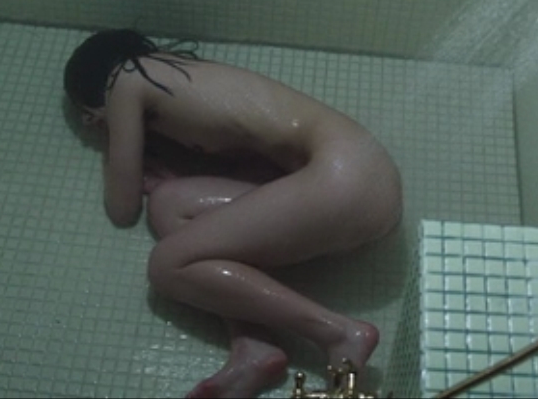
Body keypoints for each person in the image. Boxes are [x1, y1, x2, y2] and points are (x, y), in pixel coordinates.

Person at [63, 30, 404, 398]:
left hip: (348, 176)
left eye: (87, 115)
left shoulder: (127, 79)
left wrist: (112, 137)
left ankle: (337, 332)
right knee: (170, 204)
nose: (88, 123)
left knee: (165, 266)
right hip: (357, 181)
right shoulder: (182, 83)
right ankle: (253, 344)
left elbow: (122, 206)